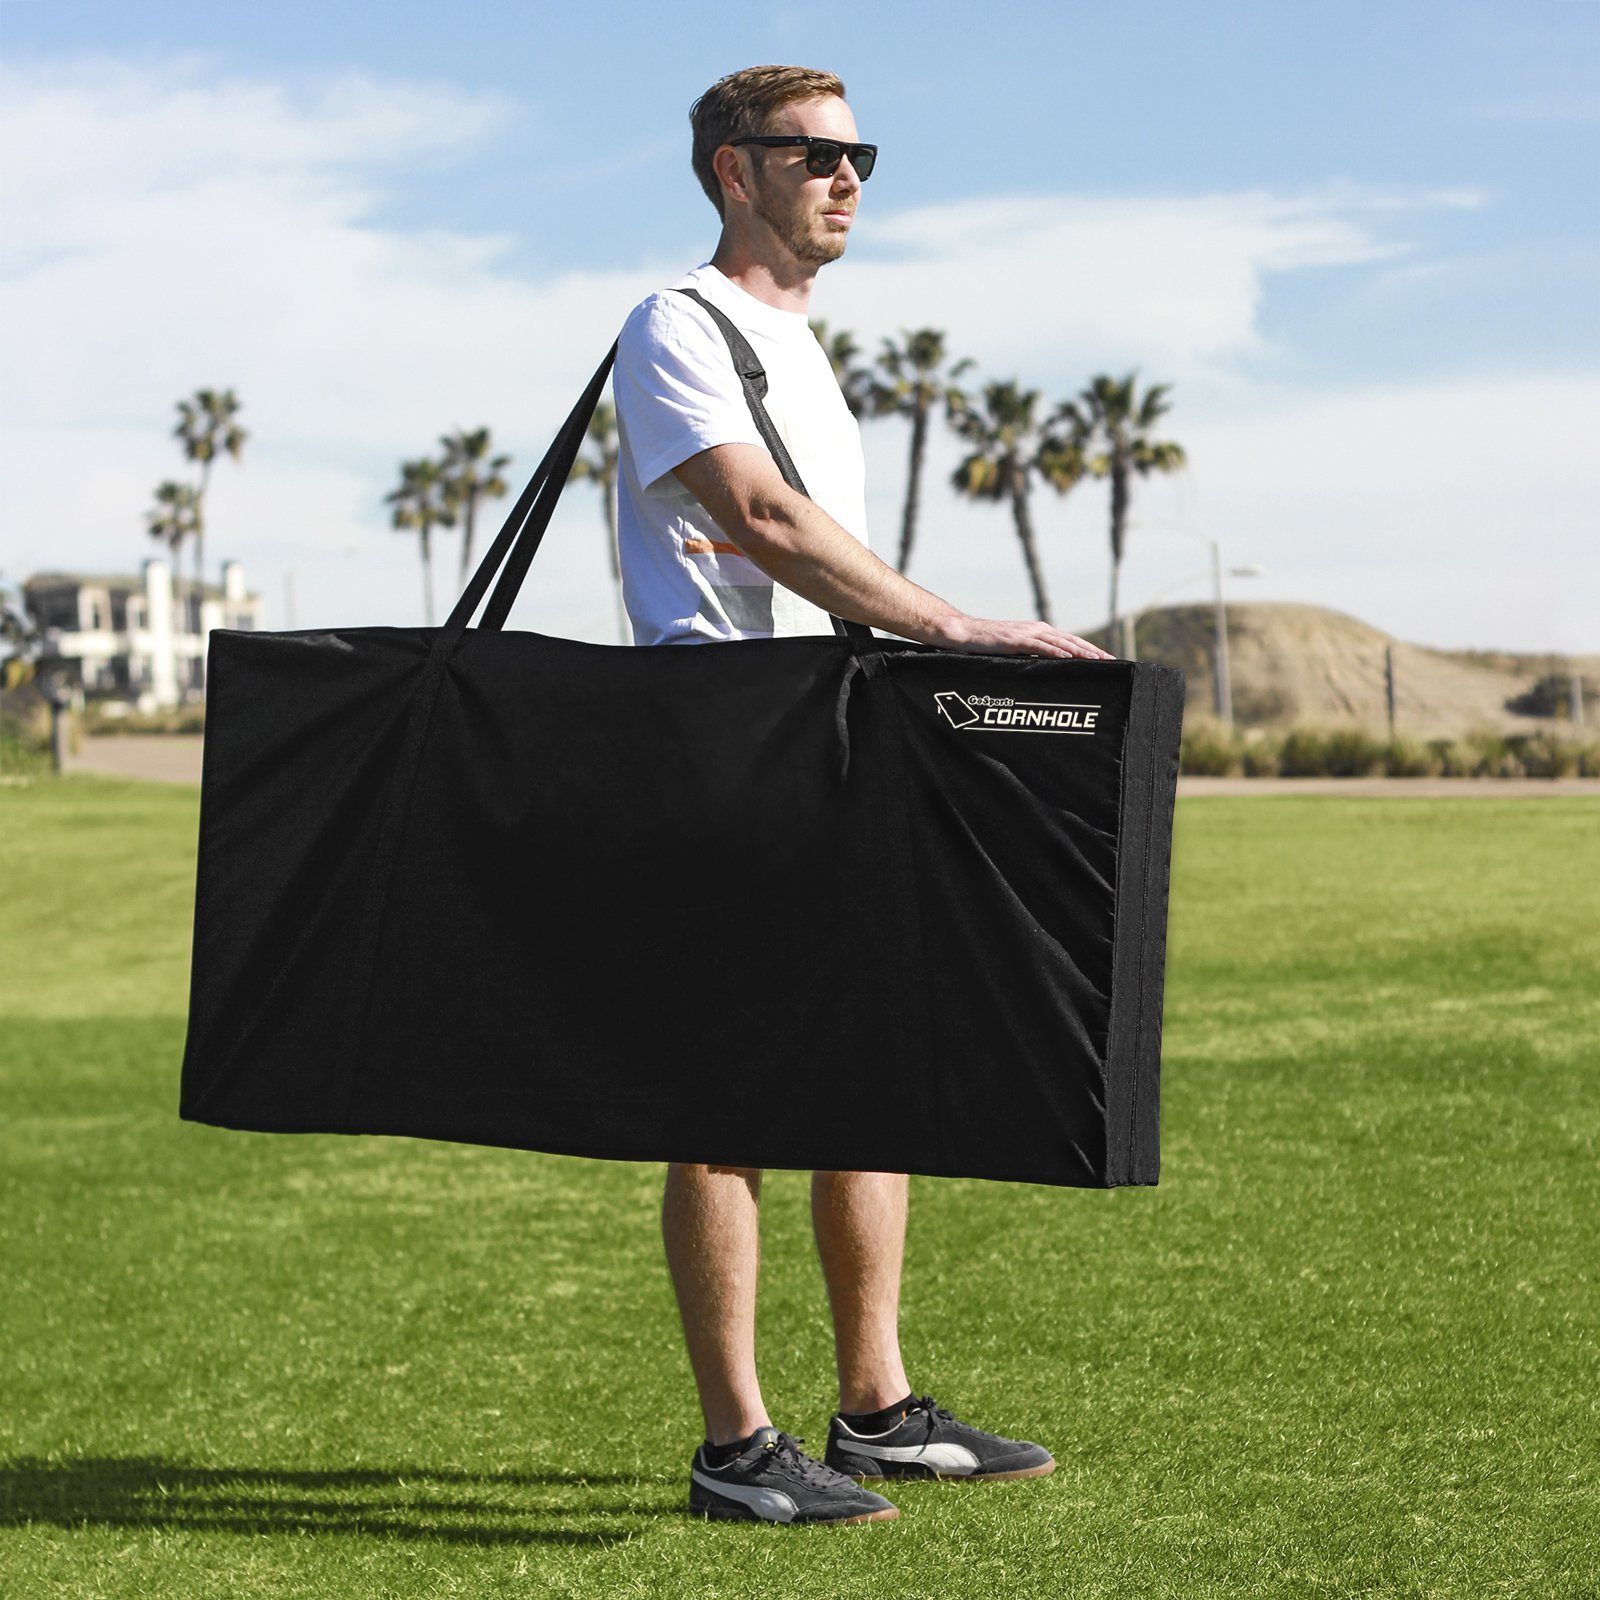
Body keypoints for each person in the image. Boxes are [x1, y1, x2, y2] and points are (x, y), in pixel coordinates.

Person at [610, 64, 1116, 1528]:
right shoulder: (676, 323)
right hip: (724, 740)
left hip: (833, 724)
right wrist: (954, 625)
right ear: (732, 169)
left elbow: (813, 547)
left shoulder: (806, 350)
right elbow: (763, 518)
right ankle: (735, 1445)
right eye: (815, 155)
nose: (847, 180)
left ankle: (876, 1411)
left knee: (870, 1070)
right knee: (725, 1098)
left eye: (861, 159)